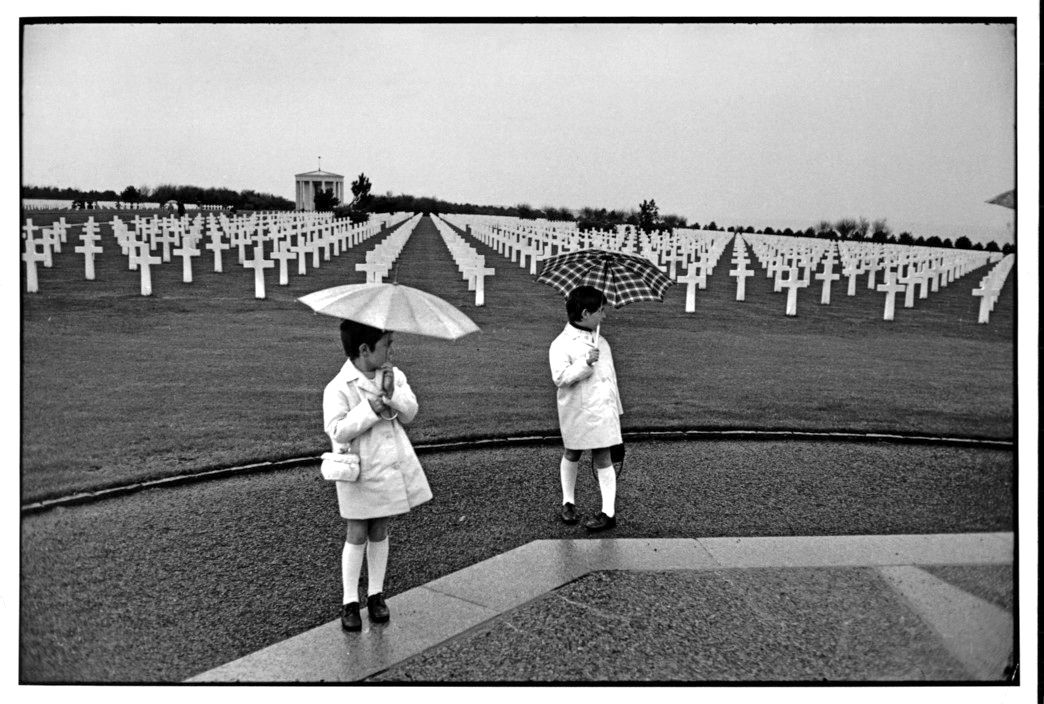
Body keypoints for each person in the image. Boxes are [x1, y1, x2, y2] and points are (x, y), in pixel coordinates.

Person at [322, 319, 432, 631]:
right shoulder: (338, 387)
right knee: (356, 532)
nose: (391, 349)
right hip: (358, 469)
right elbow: (338, 431)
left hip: (387, 467)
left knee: (380, 528)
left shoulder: (393, 375)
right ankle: (349, 601)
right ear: (364, 349)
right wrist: (370, 409)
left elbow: (410, 412)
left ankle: (375, 594)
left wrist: (392, 394)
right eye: (386, 344)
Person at [548, 285, 623, 532]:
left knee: (603, 457)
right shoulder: (561, 344)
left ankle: (608, 512)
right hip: (577, 410)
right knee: (572, 452)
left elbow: (610, 382)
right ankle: (568, 502)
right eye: (600, 311)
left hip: (602, 411)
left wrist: (616, 415)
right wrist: (585, 362)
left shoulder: (602, 342)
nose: (605, 316)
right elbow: (560, 378)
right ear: (584, 314)